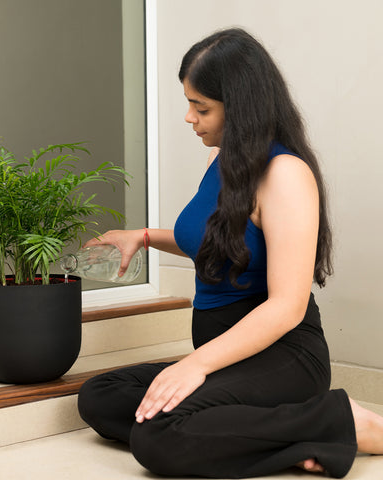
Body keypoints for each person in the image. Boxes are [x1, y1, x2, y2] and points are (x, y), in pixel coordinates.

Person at [77, 28, 383, 478]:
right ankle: (296, 435)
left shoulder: (285, 175)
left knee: (157, 434)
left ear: (239, 108)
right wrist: (142, 236)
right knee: (102, 396)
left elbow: (287, 306)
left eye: (201, 107)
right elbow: (216, 245)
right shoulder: (220, 161)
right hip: (227, 356)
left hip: (282, 357)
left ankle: (345, 421)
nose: (188, 117)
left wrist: (195, 365)